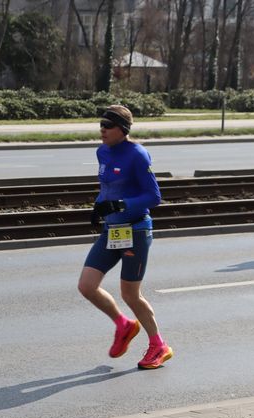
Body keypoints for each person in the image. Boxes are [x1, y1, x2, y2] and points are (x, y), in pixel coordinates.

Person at [77, 105, 172, 370]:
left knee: (130, 294)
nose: (102, 129)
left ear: (123, 129)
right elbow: (107, 187)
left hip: (136, 230)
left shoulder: (137, 155)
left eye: (108, 125)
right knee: (87, 286)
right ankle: (124, 325)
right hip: (112, 230)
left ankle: (159, 345)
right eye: (101, 124)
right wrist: (99, 206)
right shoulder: (102, 151)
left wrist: (119, 205)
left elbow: (153, 197)